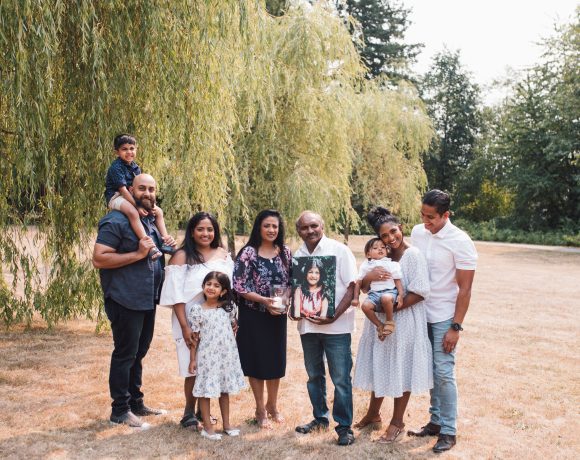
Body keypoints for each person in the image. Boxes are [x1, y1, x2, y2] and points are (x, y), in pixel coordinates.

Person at [93, 173, 174, 429]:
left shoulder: (148, 222)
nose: (147, 193)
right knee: (125, 353)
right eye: (142, 188)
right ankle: (120, 410)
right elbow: (100, 258)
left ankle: (136, 402)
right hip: (125, 298)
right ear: (130, 190)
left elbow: (162, 252)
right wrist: (138, 254)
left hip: (147, 298)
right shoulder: (116, 220)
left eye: (152, 189)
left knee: (139, 352)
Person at [353, 207, 432, 444]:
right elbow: (366, 287)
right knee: (380, 362)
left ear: (401, 229)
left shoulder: (413, 255)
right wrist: (369, 278)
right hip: (381, 317)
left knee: (401, 367)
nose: (390, 239)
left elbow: (419, 292)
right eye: (384, 236)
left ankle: (397, 422)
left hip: (405, 319)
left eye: (393, 232)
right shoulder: (381, 256)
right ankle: (373, 413)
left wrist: (391, 309)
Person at [408, 190, 477, 453]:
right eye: (422, 215)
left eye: (431, 218)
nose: (426, 222)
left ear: (446, 215)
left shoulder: (460, 241)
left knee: (444, 372)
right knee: (429, 371)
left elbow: (465, 289)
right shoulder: (417, 232)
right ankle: (435, 422)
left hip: (443, 316)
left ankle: (449, 431)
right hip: (418, 313)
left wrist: (455, 327)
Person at [159, 212, 233, 429]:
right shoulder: (182, 256)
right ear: (192, 231)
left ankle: (204, 410)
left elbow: (230, 289)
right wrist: (185, 326)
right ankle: (189, 412)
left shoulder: (222, 254)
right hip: (191, 319)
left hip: (218, 322)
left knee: (212, 364)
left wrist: (231, 318)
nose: (205, 233)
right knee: (192, 365)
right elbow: (175, 295)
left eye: (210, 229)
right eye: (200, 229)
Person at [293, 211, 358, 446]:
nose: (310, 231)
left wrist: (333, 316)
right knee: (314, 375)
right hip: (308, 327)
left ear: (323, 225)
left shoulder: (339, 250)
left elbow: (352, 287)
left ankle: (344, 427)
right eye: (304, 228)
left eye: (314, 226)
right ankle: (320, 418)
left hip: (337, 327)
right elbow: (297, 290)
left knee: (341, 378)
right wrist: (293, 309)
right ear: (298, 230)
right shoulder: (298, 255)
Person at [232, 210, 292, 429]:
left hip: (277, 315)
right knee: (257, 361)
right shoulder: (248, 252)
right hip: (253, 314)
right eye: (267, 225)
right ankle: (259, 408)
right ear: (259, 227)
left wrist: (285, 300)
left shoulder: (285, 252)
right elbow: (238, 285)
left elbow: (294, 281)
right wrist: (263, 301)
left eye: (275, 226)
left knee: (275, 361)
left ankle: (273, 405)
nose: (271, 230)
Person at [187, 271, 246, 440]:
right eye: (208, 284)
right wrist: (192, 359)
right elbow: (195, 338)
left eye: (216, 285)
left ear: (224, 291)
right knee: (206, 391)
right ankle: (207, 427)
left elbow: (233, 329)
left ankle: (227, 424)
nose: (211, 287)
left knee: (224, 390)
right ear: (203, 287)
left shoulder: (229, 308)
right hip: (207, 357)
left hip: (226, 356)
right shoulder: (198, 310)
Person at [104, 134, 174, 259]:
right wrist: (137, 206)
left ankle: (165, 241)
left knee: (158, 211)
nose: (129, 152)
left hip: (131, 195)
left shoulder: (135, 167)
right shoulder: (116, 168)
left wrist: (146, 204)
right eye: (124, 149)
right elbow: (124, 191)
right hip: (116, 196)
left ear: (136, 149)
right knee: (133, 212)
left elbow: (137, 186)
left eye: (132, 148)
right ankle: (149, 246)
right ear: (117, 152)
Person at [352, 237, 404, 339]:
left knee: (386, 298)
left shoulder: (391, 264)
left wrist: (401, 295)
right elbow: (359, 282)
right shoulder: (366, 265)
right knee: (365, 306)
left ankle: (389, 321)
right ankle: (379, 325)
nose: (380, 249)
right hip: (374, 294)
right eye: (375, 248)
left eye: (383, 247)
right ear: (368, 254)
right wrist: (355, 298)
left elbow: (397, 280)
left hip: (389, 291)